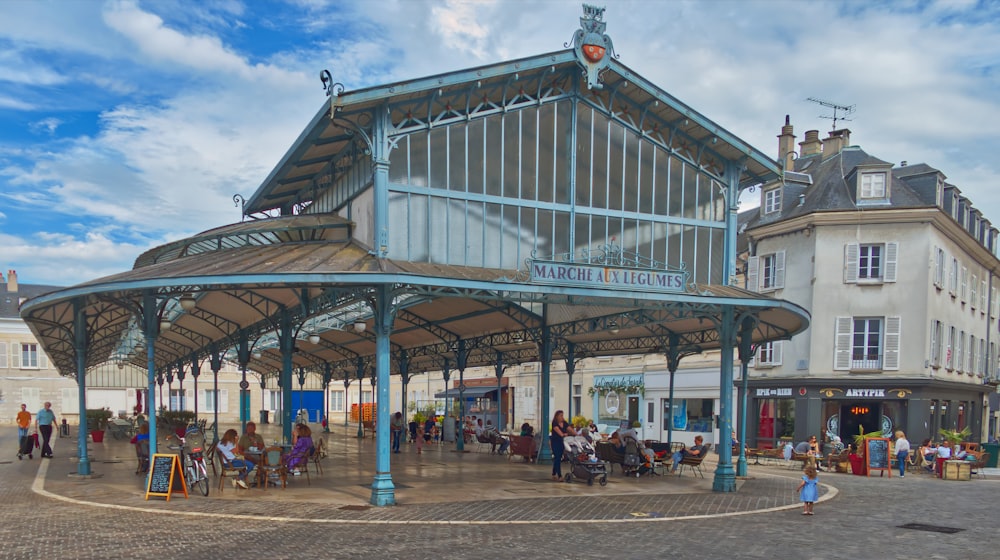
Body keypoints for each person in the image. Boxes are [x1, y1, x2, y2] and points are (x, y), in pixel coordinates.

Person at [550, 410, 575, 481]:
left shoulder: (564, 423)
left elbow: (570, 429)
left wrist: (576, 434)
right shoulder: (554, 423)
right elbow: (559, 432)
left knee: (558, 458)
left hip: (562, 442)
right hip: (555, 442)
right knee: (557, 457)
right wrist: (564, 434)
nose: (562, 417)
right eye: (560, 415)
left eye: (562, 415)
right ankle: (559, 475)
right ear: (557, 416)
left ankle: (554, 473)